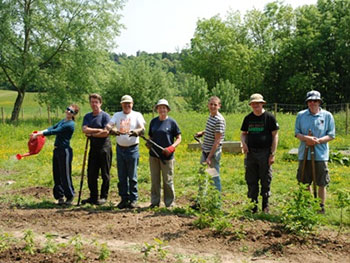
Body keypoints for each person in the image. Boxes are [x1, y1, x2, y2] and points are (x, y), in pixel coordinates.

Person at [295, 90, 335, 214]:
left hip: (321, 154)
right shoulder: (301, 115)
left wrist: (318, 141)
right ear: (307, 102)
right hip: (304, 153)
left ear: (319, 102)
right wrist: (306, 138)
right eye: (310, 101)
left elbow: (331, 135)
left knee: (321, 182)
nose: (313, 103)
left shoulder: (327, 116)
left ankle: (320, 206)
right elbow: (297, 133)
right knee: (304, 180)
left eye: (315, 101)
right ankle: (307, 205)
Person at [31, 104, 80, 205]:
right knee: (56, 173)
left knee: (65, 174)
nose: (68, 111)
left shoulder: (70, 124)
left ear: (74, 114)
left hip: (65, 151)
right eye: (67, 109)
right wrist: (40, 131)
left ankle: (70, 196)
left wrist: (39, 134)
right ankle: (59, 196)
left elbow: (55, 131)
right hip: (57, 150)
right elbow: (52, 127)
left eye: (71, 111)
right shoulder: (63, 121)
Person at [240, 94, 279, 213]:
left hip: (265, 152)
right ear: (251, 105)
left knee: (265, 178)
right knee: (251, 179)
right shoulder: (248, 118)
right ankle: (253, 204)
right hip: (251, 152)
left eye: (258, 103)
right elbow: (243, 133)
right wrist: (244, 143)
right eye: (253, 104)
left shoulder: (269, 117)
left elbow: (275, 135)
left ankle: (265, 205)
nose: (256, 106)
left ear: (262, 104)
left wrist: (272, 153)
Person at [106, 95, 145, 209]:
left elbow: (142, 128)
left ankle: (133, 199)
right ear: (121, 104)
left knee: (132, 175)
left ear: (132, 104)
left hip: (132, 148)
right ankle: (124, 198)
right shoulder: (117, 115)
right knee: (122, 175)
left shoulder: (137, 115)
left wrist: (136, 132)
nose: (127, 105)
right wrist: (112, 130)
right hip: (120, 148)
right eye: (124, 103)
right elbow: (108, 126)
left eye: (129, 103)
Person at [148, 99, 181, 208]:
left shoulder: (172, 122)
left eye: (164, 107)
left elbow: (179, 137)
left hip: (167, 156)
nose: (162, 109)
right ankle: (155, 202)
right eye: (160, 107)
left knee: (168, 180)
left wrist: (172, 147)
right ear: (157, 109)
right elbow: (150, 136)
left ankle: (169, 203)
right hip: (154, 156)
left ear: (167, 109)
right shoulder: (153, 122)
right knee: (155, 180)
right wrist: (149, 143)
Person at [82, 93, 112, 205]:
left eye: (96, 102)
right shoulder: (87, 116)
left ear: (100, 103)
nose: (94, 104)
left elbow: (105, 133)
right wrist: (97, 130)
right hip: (93, 148)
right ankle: (93, 196)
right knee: (91, 173)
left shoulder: (105, 116)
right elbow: (84, 129)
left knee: (105, 173)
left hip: (104, 147)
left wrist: (92, 133)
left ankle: (103, 196)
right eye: (92, 102)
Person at [194, 96, 226, 198]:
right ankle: (200, 201)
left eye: (215, 105)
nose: (212, 106)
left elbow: (217, 141)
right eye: (211, 104)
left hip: (212, 153)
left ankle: (216, 203)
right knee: (202, 176)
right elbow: (211, 130)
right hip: (205, 151)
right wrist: (202, 132)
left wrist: (209, 157)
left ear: (219, 106)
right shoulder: (211, 116)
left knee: (213, 177)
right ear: (208, 105)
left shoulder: (219, 120)